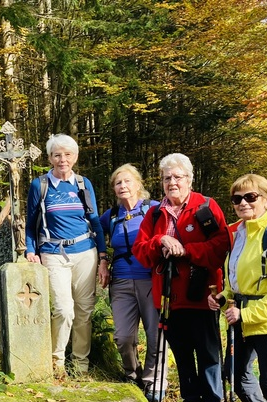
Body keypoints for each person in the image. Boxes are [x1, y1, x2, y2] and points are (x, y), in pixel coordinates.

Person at [132, 153, 230, 402]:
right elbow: (140, 251)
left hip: (202, 296)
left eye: (177, 177)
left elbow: (221, 246)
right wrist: (160, 240)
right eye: (166, 178)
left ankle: (212, 398)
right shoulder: (155, 213)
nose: (172, 182)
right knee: (183, 358)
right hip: (168, 299)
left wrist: (187, 250)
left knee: (208, 356)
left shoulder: (205, 206)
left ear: (189, 179)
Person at [208, 174, 267, 402]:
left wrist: (246, 314)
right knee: (236, 376)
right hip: (241, 321)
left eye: (250, 197)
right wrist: (223, 297)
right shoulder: (238, 233)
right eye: (236, 198)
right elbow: (239, 281)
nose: (242, 203)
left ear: (266, 199)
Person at [24, 134, 108, 378]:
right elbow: (31, 223)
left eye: (68, 154)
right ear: (49, 158)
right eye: (57, 155)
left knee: (85, 309)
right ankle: (56, 362)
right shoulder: (39, 185)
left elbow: (94, 220)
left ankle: (80, 363)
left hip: (86, 252)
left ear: (75, 157)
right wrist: (31, 249)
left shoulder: (83, 184)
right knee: (63, 309)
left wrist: (103, 255)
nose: (63, 159)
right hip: (53, 252)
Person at [98, 164, 166, 401]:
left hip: (150, 279)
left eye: (127, 181)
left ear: (138, 184)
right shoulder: (111, 216)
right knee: (123, 336)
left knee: (155, 334)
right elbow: (95, 235)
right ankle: (132, 374)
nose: (123, 186)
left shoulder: (154, 209)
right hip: (122, 282)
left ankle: (153, 380)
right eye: (118, 183)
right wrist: (103, 261)